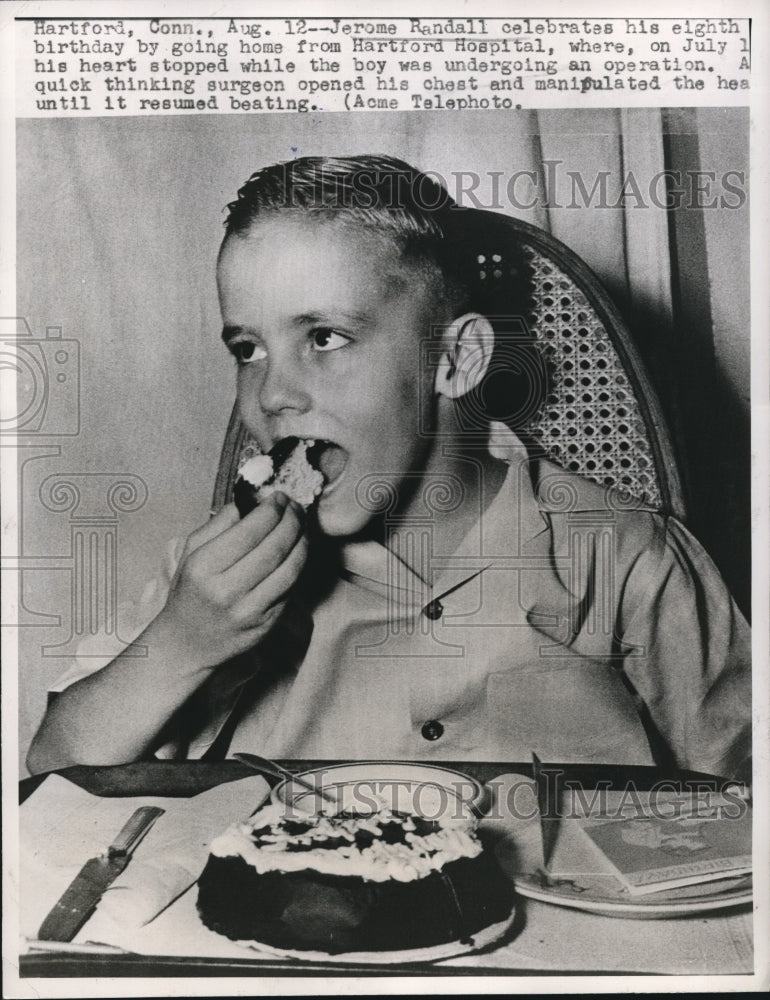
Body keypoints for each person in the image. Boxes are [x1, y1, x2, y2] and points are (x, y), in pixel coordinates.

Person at [26, 156, 751, 779]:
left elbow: (744, 800)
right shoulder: (214, 577)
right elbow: (54, 769)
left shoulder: (627, 561)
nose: (272, 394)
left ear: (457, 357)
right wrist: (183, 644)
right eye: (247, 348)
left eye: (325, 336)